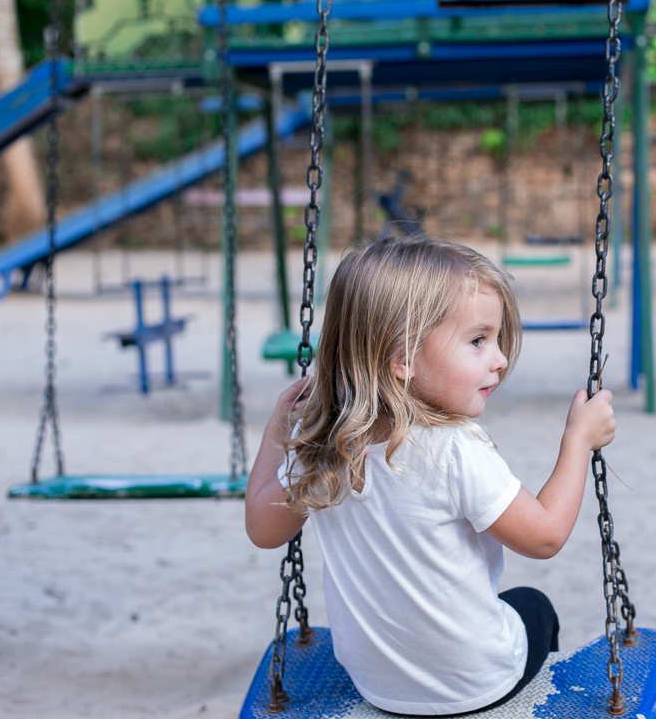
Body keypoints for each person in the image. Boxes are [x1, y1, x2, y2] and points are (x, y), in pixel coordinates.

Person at [245, 236, 616, 716]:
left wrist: (280, 426)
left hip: (376, 687)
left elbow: (260, 527)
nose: (500, 358)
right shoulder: (453, 448)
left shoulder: (323, 444)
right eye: (478, 340)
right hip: (475, 683)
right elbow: (544, 538)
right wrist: (578, 442)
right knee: (534, 605)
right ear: (402, 358)